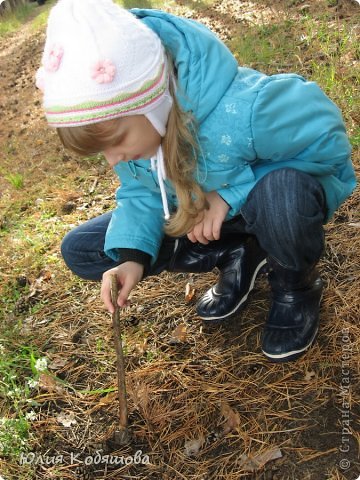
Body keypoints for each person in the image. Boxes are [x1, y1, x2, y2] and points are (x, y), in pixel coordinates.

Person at [36, 0, 356, 363]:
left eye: (117, 141)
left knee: (283, 193)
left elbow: (327, 144)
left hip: (265, 204)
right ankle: (239, 253)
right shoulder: (141, 138)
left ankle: (294, 284)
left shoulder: (244, 111)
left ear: (149, 102)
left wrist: (230, 194)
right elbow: (143, 193)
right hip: (209, 219)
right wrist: (131, 258)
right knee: (82, 249)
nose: (113, 159)